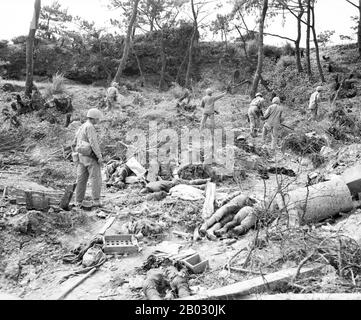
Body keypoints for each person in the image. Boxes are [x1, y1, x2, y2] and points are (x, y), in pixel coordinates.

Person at [73, 108, 104, 208]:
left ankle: (78, 201)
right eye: (98, 119)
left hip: (81, 156)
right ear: (94, 118)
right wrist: (99, 156)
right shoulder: (90, 127)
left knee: (81, 179)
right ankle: (96, 201)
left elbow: (74, 142)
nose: (98, 121)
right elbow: (93, 143)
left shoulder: (82, 126)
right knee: (96, 178)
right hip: (90, 157)